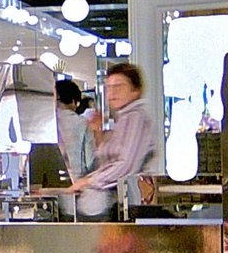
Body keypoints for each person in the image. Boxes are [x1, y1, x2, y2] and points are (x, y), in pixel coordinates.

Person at [66, 62, 157, 220]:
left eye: (119, 86)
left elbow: (126, 165)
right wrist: (98, 132)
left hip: (128, 206)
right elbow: (109, 158)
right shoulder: (124, 119)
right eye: (109, 87)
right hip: (115, 204)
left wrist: (89, 181)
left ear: (135, 90)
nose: (112, 93)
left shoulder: (135, 117)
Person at [54, 78, 94, 182]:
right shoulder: (82, 123)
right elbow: (90, 161)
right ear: (74, 101)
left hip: (47, 183)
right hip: (76, 183)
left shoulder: (44, 122)